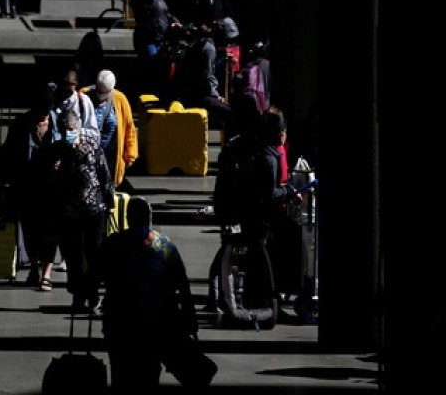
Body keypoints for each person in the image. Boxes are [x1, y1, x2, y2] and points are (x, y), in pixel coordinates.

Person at [206, 106, 303, 327]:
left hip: (232, 209)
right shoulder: (268, 157)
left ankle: (224, 298)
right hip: (253, 216)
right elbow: (267, 195)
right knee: (261, 260)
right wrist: (289, 191)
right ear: (280, 133)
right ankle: (265, 304)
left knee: (230, 252)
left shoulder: (244, 145)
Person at [93, 196, 199, 391]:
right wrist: (189, 316)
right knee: (149, 374)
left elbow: (92, 277)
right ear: (149, 218)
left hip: (119, 322)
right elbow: (182, 284)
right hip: (156, 323)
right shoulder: (165, 245)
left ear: (128, 218)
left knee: (121, 372)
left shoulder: (113, 243)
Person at [49, 109, 114, 313]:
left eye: (71, 129)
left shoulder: (92, 145)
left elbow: (104, 174)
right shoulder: (57, 151)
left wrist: (110, 202)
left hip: (94, 208)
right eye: (64, 130)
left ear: (77, 128)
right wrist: (55, 170)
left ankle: (93, 296)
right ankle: (78, 295)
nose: (68, 132)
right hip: (69, 212)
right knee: (73, 255)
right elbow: (50, 184)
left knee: (94, 253)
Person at [2, 82, 61, 291]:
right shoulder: (20, 123)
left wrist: (61, 160)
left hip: (53, 187)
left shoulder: (59, 121)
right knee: (30, 230)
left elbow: (72, 145)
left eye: (45, 114)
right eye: (39, 114)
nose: (42, 118)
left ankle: (46, 273)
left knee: (51, 231)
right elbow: (8, 151)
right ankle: (34, 266)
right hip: (27, 185)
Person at [81, 69, 138, 189]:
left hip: (110, 156)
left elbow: (129, 128)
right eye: (99, 91)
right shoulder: (83, 95)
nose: (101, 95)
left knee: (108, 188)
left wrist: (131, 154)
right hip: (88, 154)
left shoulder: (120, 99)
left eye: (105, 92)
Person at [131, 0, 180, 97]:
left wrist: (174, 22)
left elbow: (165, 12)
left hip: (160, 37)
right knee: (152, 65)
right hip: (148, 38)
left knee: (161, 67)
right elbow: (151, 11)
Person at [52, 68, 99, 141]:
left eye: (71, 84)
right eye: (65, 84)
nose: (67, 87)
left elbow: (94, 133)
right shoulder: (54, 102)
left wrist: (77, 133)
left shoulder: (83, 101)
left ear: (76, 84)